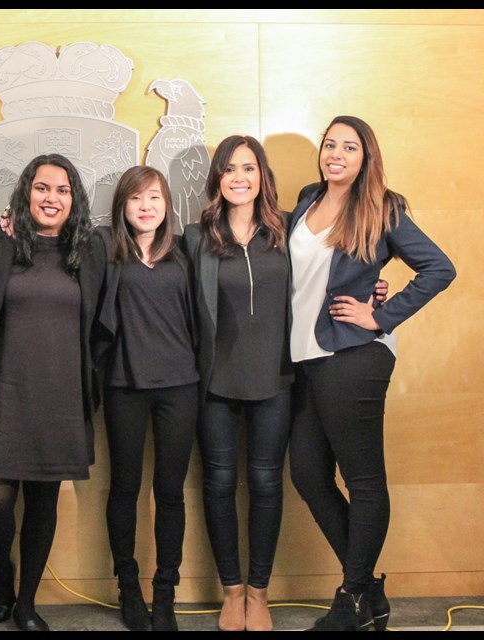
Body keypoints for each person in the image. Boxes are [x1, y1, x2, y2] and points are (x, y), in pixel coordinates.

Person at [288, 115, 456, 631]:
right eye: (330, 144)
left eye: (349, 147)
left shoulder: (382, 207)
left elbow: (439, 268)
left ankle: (350, 598)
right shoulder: (306, 199)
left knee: (362, 479)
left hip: (354, 355)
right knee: (309, 474)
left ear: (366, 157)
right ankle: (368, 588)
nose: (336, 154)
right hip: (304, 357)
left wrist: (379, 314)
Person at [0, 153, 106, 631]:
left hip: (61, 398)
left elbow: (103, 324)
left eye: (62, 190)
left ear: (74, 199)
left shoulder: (91, 250)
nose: (52, 198)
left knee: (43, 503)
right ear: (27, 193)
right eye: (43, 188)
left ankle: (25, 601)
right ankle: (2, 575)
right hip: (1, 394)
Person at [182, 136, 292, 631]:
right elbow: (130, 243)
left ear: (263, 175)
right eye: (229, 169)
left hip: (276, 379)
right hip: (215, 384)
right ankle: (231, 591)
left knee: (267, 484)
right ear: (217, 179)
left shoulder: (288, 231)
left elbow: (335, 271)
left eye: (249, 168)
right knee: (220, 484)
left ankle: (259, 593)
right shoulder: (195, 237)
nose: (239, 177)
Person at [95, 165, 199, 631]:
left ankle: (165, 592)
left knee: (170, 491)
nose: (146, 206)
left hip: (180, 386)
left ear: (167, 204)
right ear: (122, 206)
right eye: (136, 199)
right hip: (125, 385)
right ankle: (128, 587)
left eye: (154, 197)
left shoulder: (184, 252)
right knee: (124, 487)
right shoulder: (106, 250)